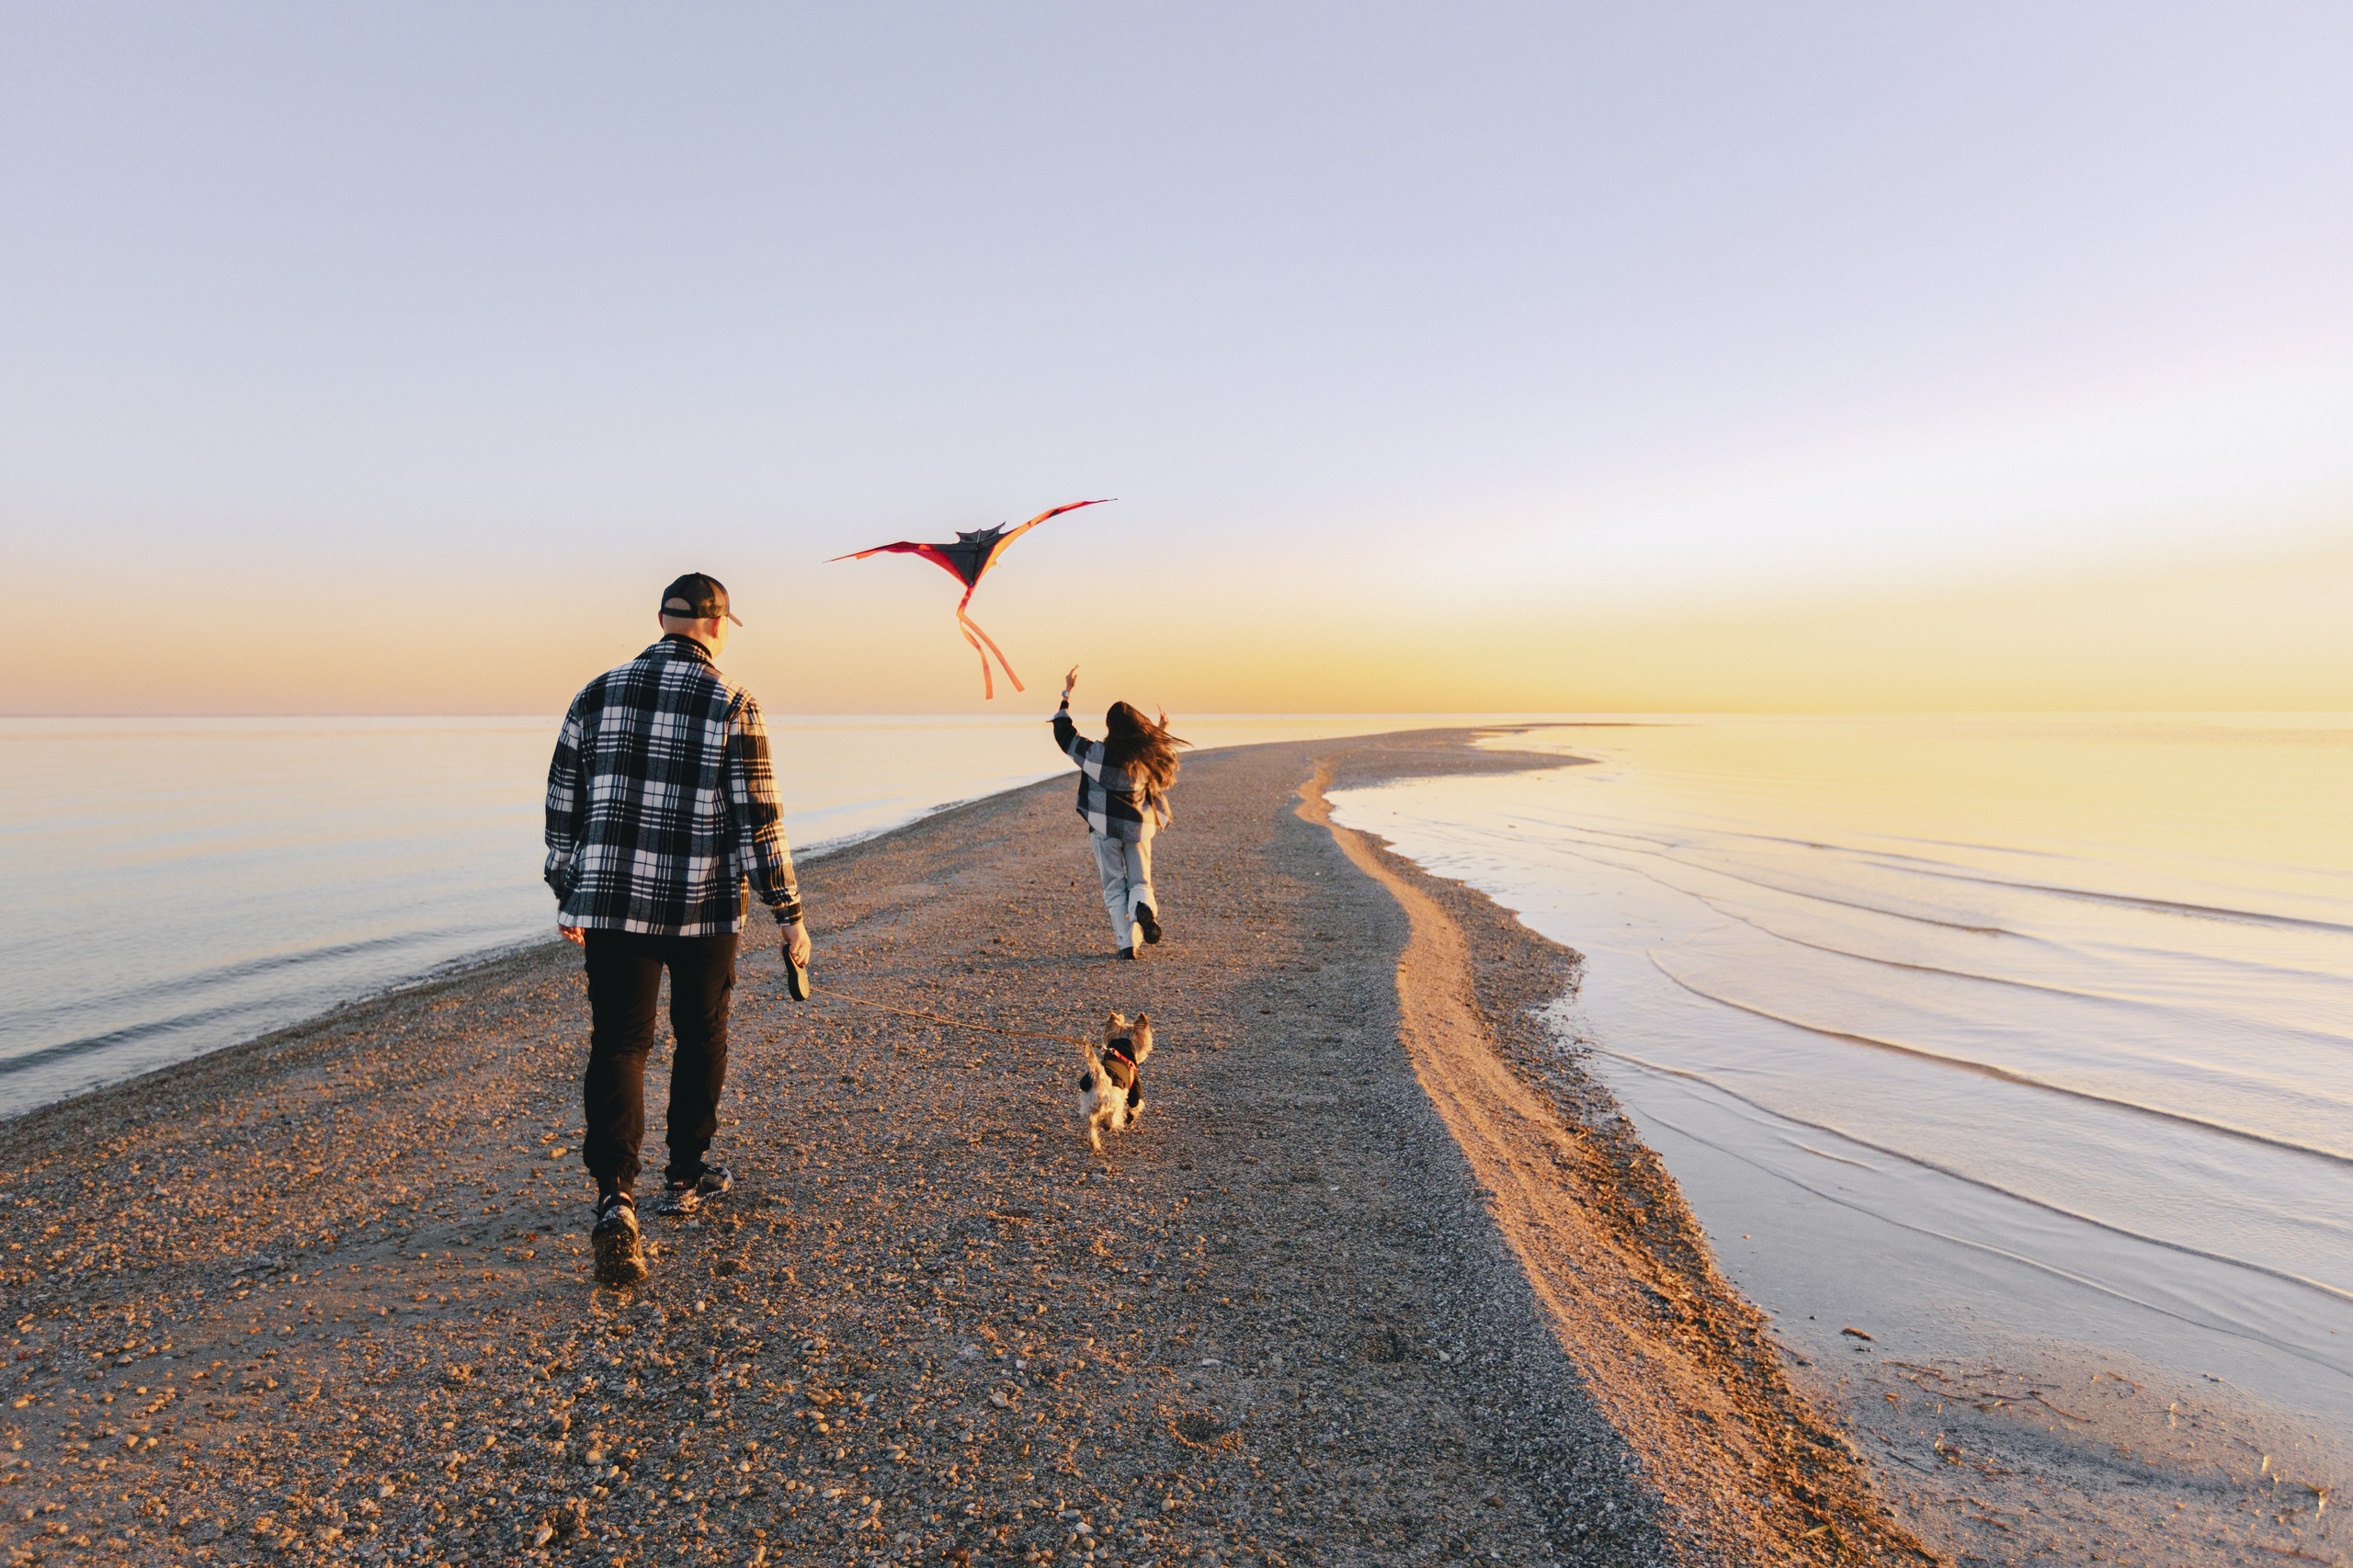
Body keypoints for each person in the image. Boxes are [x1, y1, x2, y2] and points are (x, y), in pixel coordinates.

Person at [544, 573, 813, 1288]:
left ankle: (614, 1200)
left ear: (664, 620)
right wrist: (789, 915)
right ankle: (685, 1179)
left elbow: (561, 800)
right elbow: (760, 819)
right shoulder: (734, 702)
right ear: (718, 626)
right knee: (700, 1036)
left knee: (621, 1042)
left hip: (610, 902)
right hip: (703, 905)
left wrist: (568, 892)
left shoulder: (594, 693)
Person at [1051, 665, 1188, 959]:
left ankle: (1127, 945)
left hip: (1103, 829)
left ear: (1110, 726)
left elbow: (1064, 734)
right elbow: (1154, 751)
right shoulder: (1143, 757)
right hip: (1137, 830)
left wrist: (1067, 693)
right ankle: (1142, 909)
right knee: (1140, 883)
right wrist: (1160, 730)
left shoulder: (1096, 754)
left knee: (1114, 886)